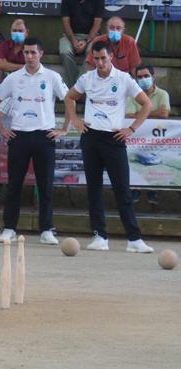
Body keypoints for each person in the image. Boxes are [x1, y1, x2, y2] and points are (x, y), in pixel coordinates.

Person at [65, 41, 154, 253]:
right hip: (91, 137)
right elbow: (69, 97)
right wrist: (75, 120)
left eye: (103, 58)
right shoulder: (87, 78)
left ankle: (134, 239)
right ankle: (100, 236)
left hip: (114, 139)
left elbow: (147, 104)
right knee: (94, 189)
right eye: (96, 59)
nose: (100, 63)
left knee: (122, 189)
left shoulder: (123, 79)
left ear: (111, 57)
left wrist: (131, 129)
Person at [0, 37, 69, 245]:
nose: (29, 56)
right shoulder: (13, 78)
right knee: (14, 185)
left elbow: (69, 99)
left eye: (33, 53)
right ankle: (9, 227)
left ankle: (46, 229)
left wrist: (64, 129)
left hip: (44, 136)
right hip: (19, 136)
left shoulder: (52, 77)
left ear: (41, 54)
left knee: (45, 185)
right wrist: (1, 128)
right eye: (26, 53)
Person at [0, 17, 28, 209]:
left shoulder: (31, 47)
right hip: (4, 93)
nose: (17, 32)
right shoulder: (5, 44)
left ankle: (17, 193)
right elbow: (1, 65)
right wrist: (22, 68)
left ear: (27, 33)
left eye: (20, 30)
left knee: (18, 142)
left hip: (25, 96)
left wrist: (14, 67)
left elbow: (30, 68)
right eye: (14, 29)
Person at [126, 63, 170, 206]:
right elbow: (129, 116)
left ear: (153, 77)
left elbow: (164, 114)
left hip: (157, 139)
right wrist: (153, 113)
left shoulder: (163, 94)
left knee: (154, 163)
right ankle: (135, 188)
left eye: (146, 76)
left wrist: (141, 113)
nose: (143, 79)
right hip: (136, 136)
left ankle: (153, 190)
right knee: (134, 162)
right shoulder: (132, 96)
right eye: (139, 77)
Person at [59, 0, 104, 87]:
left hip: (91, 36)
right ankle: (75, 87)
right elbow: (66, 23)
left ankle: (79, 85)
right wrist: (73, 40)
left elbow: (97, 24)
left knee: (92, 52)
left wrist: (87, 42)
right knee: (65, 52)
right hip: (71, 35)